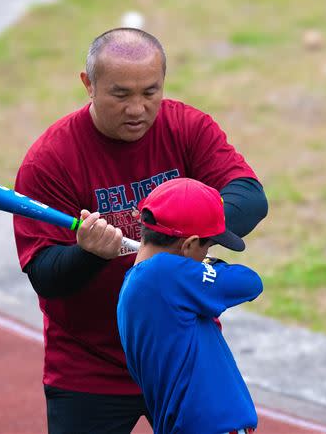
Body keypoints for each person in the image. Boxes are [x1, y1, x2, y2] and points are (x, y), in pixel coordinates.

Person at [13, 27, 268, 433]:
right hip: (89, 368)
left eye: (150, 93)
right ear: (88, 85)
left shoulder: (187, 128)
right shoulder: (50, 160)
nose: (137, 109)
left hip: (181, 352)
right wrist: (88, 254)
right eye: (120, 94)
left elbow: (251, 197)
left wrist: (184, 231)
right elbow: (45, 274)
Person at [117, 178, 263, 434]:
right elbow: (249, 282)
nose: (208, 251)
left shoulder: (137, 283)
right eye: (208, 245)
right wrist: (209, 263)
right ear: (188, 245)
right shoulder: (166, 274)